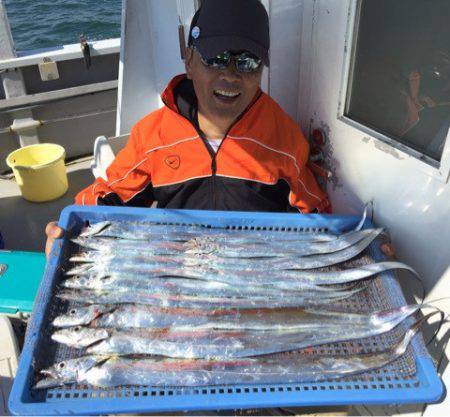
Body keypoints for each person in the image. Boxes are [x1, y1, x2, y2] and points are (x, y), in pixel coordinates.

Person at [46, 0, 332, 256]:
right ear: (190, 61)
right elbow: (106, 197)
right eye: (215, 58)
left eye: (247, 61)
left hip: (253, 270)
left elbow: (318, 219)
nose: (230, 75)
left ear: (261, 70)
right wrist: (65, 230)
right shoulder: (153, 136)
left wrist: (358, 251)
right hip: (179, 270)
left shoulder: (283, 140)